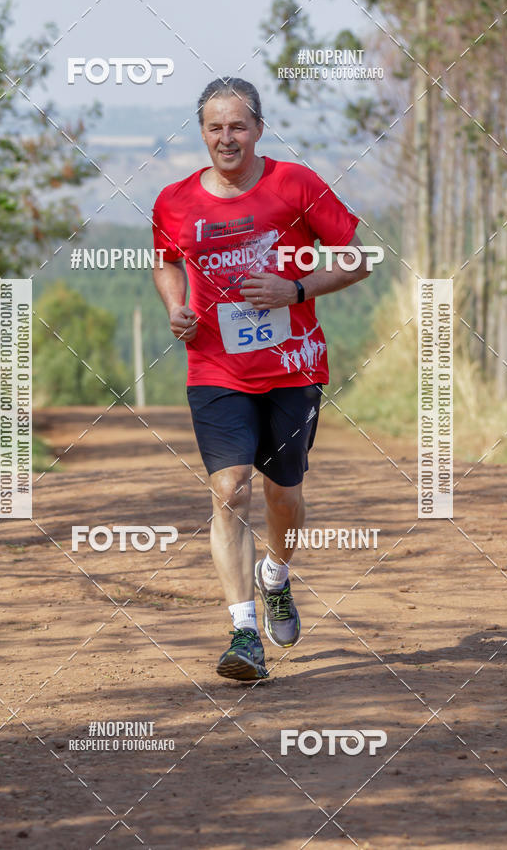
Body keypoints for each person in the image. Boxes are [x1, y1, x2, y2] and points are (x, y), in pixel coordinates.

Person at [152, 77, 368, 681]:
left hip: (293, 367)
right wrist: (175, 307)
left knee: (283, 494)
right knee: (229, 491)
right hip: (215, 368)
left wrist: (294, 288)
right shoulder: (174, 201)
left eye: (238, 126)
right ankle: (244, 632)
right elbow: (166, 260)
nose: (227, 137)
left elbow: (358, 259)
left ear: (258, 130)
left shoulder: (294, 184)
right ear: (201, 133)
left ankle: (276, 574)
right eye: (216, 127)